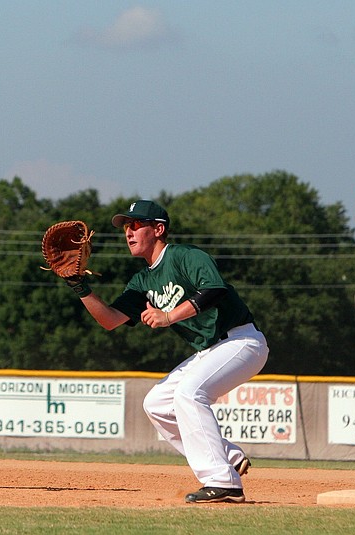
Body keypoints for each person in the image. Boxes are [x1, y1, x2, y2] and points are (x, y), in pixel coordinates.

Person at [63, 200, 269, 503]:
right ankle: (226, 456)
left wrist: (168, 316)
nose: (128, 233)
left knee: (188, 394)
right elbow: (109, 320)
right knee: (157, 404)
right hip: (209, 351)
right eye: (126, 228)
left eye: (136, 225)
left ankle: (223, 481)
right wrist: (79, 286)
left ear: (158, 229)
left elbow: (214, 290)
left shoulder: (186, 256)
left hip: (241, 342)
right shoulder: (143, 281)